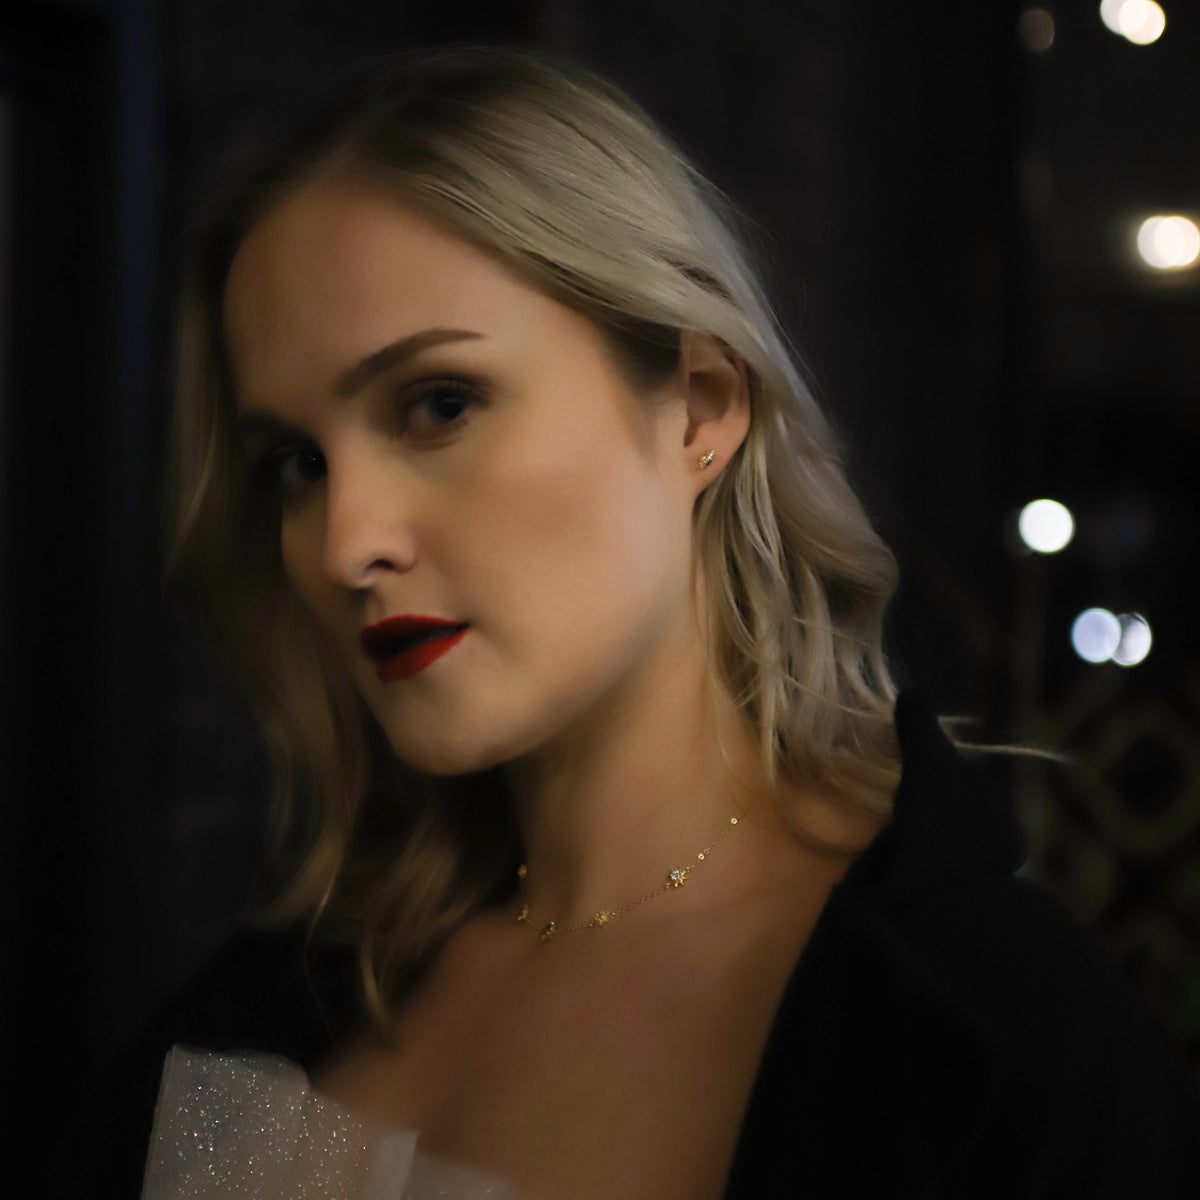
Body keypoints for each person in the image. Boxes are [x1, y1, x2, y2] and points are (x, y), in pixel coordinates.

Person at [54, 44, 1199, 1200]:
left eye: (439, 405)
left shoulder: (1003, 1038)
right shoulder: (282, 992)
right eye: (296, 465)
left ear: (700, 407)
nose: (347, 544)